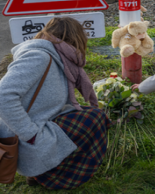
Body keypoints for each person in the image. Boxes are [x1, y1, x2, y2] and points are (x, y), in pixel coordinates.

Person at [0, 17, 110, 190]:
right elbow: (3, 96)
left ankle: (46, 171)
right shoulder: (39, 56)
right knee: (94, 118)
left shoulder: (56, 55)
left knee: (90, 115)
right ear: (74, 38)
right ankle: (51, 174)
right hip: (27, 135)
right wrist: (31, 134)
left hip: (38, 123)